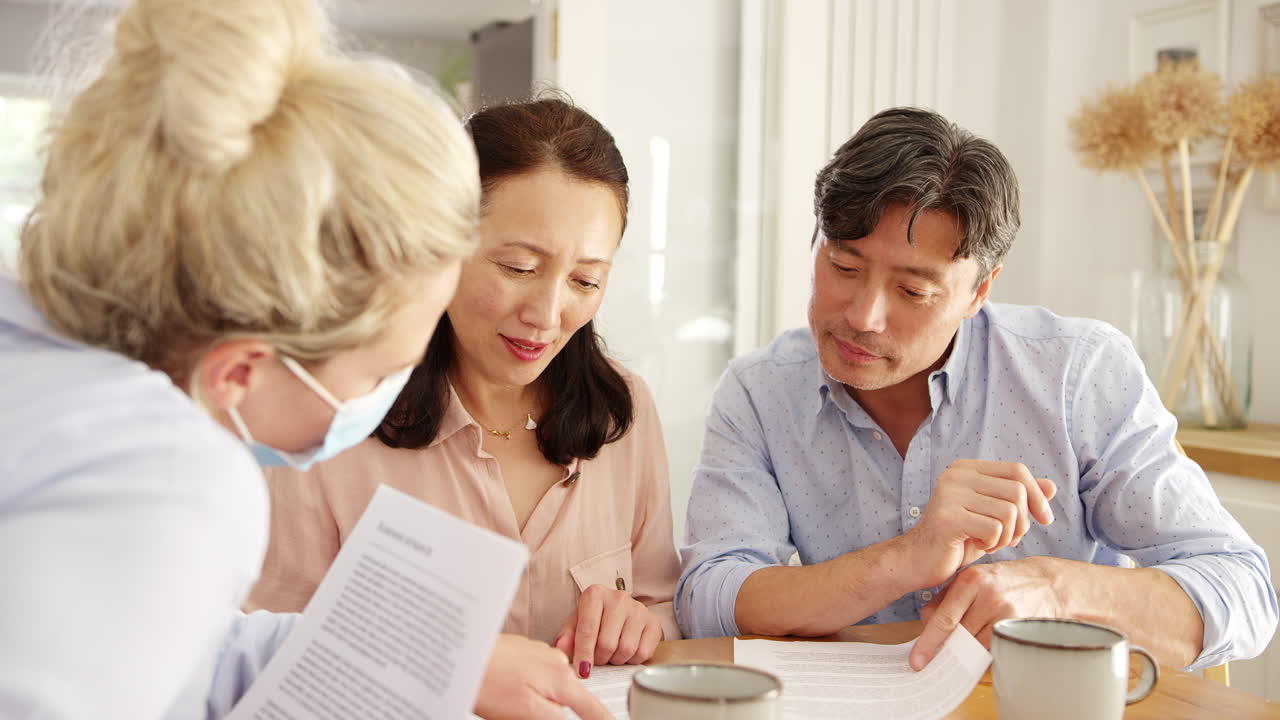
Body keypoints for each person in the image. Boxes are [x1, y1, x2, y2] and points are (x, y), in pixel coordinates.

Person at [0, 2, 606, 719]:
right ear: (239, 372)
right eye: (380, 374)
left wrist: (427, 665)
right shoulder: (173, 478)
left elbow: (173, 644)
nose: (386, 396)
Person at [676, 106, 1277, 673]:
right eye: (844, 266)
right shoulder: (760, 392)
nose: (863, 316)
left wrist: (1056, 591)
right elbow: (708, 596)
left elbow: (1243, 592)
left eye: (914, 291)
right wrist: (905, 560)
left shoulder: (1076, 373)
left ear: (979, 290)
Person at [247, 97, 682, 692]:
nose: (547, 314)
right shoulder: (335, 419)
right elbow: (265, 651)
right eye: (519, 266)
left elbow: (661, 607)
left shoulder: (624, 414)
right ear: (441, 246)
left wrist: (638, 624)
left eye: (586, 280)